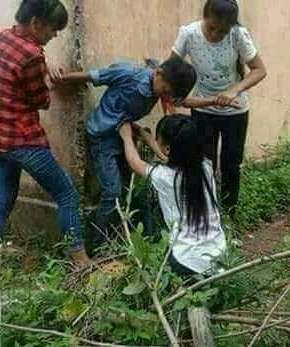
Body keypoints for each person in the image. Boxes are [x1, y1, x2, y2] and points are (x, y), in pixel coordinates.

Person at [0, 0, 90, 281]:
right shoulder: (33, 56)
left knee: (2, 200)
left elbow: (17, 74)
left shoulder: (4, 37)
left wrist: (43, 67)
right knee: (66, 194)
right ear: (35, 23)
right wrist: (51, 81)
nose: (55, 35)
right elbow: (40, 101)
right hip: (24, 141)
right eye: (53, 29)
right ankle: (80, 260)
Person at [53, 57, 197, 249]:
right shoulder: (128, 74)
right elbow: (95, 76)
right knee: (112, 192)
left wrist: (138, 135)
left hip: (123, 135)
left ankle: (145, 240)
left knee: (135, 189)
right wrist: (62, 77)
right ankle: (98, 245)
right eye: (165, 92)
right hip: (103, 136)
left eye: (170, 95)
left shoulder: (159, 86)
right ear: (158, 74)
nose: (166, 97)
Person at [171, 0, 267, 209]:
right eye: (211, 27)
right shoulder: (189, 34)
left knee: (232, 165)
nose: (215, 34)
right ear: (204, 17)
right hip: (203, 111)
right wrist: (174, 93)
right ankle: (208, 212)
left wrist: (234, 90)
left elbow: (260, 70)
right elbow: (172, 67)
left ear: (231, 27)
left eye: (222, 31)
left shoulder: (238, 35)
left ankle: (229, 213)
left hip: (236, 111)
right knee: (205, 164)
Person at [119, 115, 226, 278]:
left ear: (168, 148)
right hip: (218, 255)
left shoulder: (165, 177)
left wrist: (126, 136)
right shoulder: (206, 168)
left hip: (187, 262)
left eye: (158, 139)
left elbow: (135, 163)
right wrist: (150, 140)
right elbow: (176, 158)